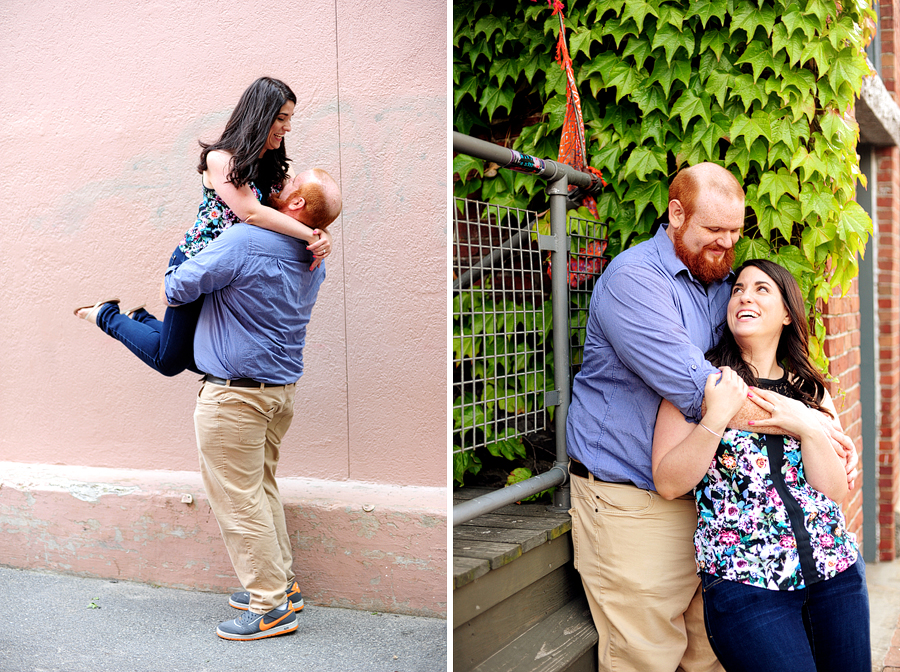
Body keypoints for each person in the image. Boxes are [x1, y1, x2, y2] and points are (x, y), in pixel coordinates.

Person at [565, 162, 857, 672]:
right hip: (634, 503)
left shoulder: (720, 285)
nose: (726, 245)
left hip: (713, 515)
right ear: (676, 214)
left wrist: (820, 428)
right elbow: (702, 389)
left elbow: (759, 365)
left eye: (734, 233)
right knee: (646, 658)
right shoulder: (635, 281)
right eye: (713, 231)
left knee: (711, 660)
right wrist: (812, 424)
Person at [652, 259, 870, 671]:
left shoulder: (810, 390)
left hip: (835, 573)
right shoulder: (703, 383)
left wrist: (806, 426)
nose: (745, 296)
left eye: (761, 289)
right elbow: (667, 481)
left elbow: (834, 490)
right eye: (738, 290)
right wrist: (716, 418)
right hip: (746, 586)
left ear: (788, 313)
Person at [163, 167, 342, 640]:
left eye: (286, 185)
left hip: (234, 397)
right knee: (260, 490)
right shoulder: (314, 257)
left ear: (298, 205)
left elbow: (178, 287)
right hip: (278, 394)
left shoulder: (244, 240)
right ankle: (283, 586)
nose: (274, 186)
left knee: (239, 502)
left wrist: (182, 263)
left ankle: (270, 608)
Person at [74, 77, 332, 375]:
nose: (288, 127)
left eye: (291, 119)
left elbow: (302, 210)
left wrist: (322, 234)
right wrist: (312, 236)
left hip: (232, 272)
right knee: (170, 362)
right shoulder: (220, 159)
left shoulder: (277, 169)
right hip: (197, 264)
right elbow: (251, 212)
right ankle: (107, 315)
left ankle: (143, 318)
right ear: (261, 116)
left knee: (209, 355)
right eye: (282, 118)